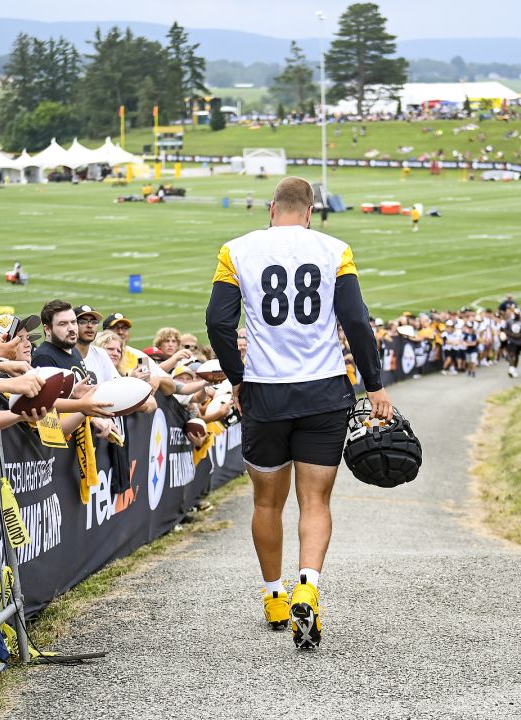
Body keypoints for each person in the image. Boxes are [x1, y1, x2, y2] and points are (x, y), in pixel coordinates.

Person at [205, 176, 390, 650]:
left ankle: (274, 596)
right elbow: (356, 321)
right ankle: (308, 584)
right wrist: (375, 385)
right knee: (316, 501)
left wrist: (236, 376)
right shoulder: (335, 249)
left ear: (271, 208)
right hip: (324, 389)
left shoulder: (236, 250)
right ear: (310, 211)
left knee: (267, 502)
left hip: (266, 391)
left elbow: (218, 322)